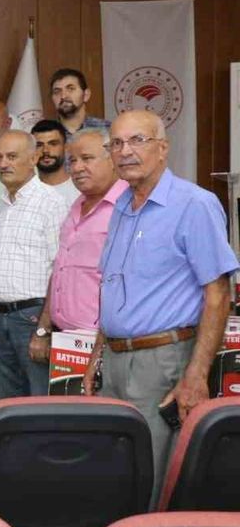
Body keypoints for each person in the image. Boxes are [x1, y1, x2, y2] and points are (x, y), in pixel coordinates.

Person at [88, 110, 237, 497]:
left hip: (162, 363)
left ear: (163, 148)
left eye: (137, 140)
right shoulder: (121, 206)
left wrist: (196, 375)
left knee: (151, 478)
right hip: (115, 362)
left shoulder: (194, 204)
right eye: (116, 143)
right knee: (112, 474)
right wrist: (97, 356)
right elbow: (114, 287)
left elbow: (219, 293)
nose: (125, 151)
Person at [0, 130, 69, 398]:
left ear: (34, 158)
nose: (3, 164)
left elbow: (60, 271)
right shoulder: (2, 205)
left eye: (12, 157)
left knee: (39, 401)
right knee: (8, 404)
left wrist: (44, 329)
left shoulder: (51, 202)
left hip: (33, 317)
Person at [32, 129, 128, 352]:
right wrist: (44, 327)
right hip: (65, 339)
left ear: (113, 160)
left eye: (86, 158)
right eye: (72, 161)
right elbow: (60, 270)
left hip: (107, 343)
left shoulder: (129, 207)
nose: (76, 168)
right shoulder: (76, 206)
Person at [30, 119, 81, 205]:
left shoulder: (80, 190)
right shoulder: (24, 192)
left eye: (53, 144)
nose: (45, 150)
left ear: (66, 147)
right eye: (39, 145)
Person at [51, 68, 110, 137]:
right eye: (57, 92)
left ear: (86, 95)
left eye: (71, 89)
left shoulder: (106, 129)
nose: (63, 96)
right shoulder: (45, 134)